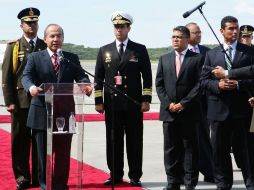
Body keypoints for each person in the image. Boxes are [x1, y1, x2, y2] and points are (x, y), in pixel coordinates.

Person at [22, 24, 92, 190]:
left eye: (59, 36)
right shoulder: (35, 57)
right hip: (41, 112)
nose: (56, 39)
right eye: (52, 36)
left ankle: (61, 185)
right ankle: (45, 185)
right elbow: (26, 76)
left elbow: (81, 77)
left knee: (62, 152)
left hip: (65, 112)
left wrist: (85, 85)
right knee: (42, 153)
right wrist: (31, 88)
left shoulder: (70, 57)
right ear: (45, 39)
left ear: (63, 38)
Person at [94, 11, 152, 187]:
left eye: (122, 27)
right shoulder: (104, 50)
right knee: (113, 140)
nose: (118, 30)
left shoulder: (139, 49)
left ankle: (135, 175)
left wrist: (146, 99)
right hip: (112, 105)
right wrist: (99, 101)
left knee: (134, 141)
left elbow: (147, 76)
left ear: (129, 28)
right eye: (116, 27)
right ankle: (115, 174)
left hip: (133, 104)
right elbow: (98, 78)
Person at [200, 16, 254, 190]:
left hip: (242, 110)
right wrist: (219, 85)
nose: (235, 31)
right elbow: (203, 82)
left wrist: (237, 83)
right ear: (221, 31)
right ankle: (223, 183)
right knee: (219, 150)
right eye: (230, 28)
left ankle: (250, 181)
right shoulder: (211, 54)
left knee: (245, 149)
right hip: (218, 111)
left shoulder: (249, 52)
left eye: (236, 28)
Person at [2, 7, 46, 190]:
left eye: (34, 22)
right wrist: (9, 101)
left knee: (38, 141)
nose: (32, 26)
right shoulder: (14, 47)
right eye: (28, 23)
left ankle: (38, 177)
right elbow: (7, 77)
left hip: (41, 102)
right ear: (21, 25)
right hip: (20, 101)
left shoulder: (44, 45)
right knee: (20, 140)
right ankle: (22, 177)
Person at [156, 26, 204, 190]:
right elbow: (159, 85)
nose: (175, 39)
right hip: (169, 112)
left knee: (190, 149)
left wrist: (184, 103)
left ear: (187, 39)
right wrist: (168, 103)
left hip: (189, 112)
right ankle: (172, 182)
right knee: (170, 150)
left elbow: (200, 85)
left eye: (179, 37)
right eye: (173, 37)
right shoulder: (164, 58)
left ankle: (190, 183)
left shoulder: (198, 59)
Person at [185, 22, 214, 183]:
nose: (199, 34)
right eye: (195, 33)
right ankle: (187, 173)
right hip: (186, 103)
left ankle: (210, 171)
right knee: (186, 141)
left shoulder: (207, 52)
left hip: (205, 103)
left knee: (204, 138)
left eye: (200, 32)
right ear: (187, 35)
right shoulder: (181, 53)